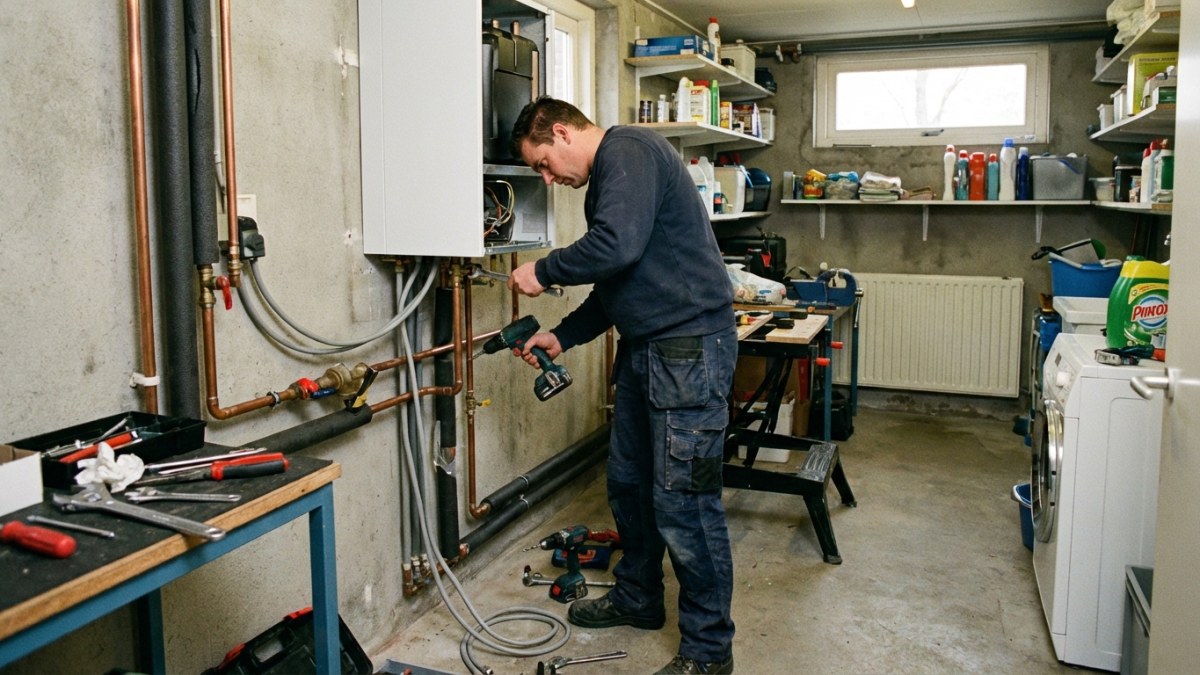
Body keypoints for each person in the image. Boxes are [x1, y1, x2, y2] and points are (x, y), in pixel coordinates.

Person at [506, 96, 737, 675]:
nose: (547, 177)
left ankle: (709, 652)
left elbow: (615, 247)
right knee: (631, 484)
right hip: (648, 348)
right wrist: (562, 336)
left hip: (687, 348)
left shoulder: (628, 151)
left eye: (542, 163)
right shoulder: (610, 176)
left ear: (561, 132)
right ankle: (639, 597)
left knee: (684, 502)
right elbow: (618, 277)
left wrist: (544, 267)